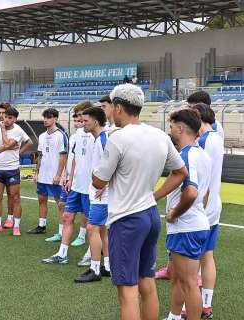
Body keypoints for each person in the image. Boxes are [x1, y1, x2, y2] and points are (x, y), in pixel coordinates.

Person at [92, 83, 188, 320]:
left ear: (118, 107)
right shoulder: (158, 135)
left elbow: (98, 181)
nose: (108, 113)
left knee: (127, 290)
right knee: (147, 281)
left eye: (109, 108)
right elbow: (180, 172)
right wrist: (154, 195)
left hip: (126, 219)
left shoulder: (118, 138)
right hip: (149, 215)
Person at [160, 108, 212, 320]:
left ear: (180, 128)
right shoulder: (201, 154)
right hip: (194, 224)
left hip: (186, 227)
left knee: (190, 283)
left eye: (172, 126)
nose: (170, 129)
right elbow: (204, 192)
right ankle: (173, 316)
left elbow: (191, 192)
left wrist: (174, 213)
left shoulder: (186, 155)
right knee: (178, 278)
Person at [41, 102, 93, 264]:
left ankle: (92, 254)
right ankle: (62, 254)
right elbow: (75, 158)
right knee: (67, 215)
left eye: (82, 115)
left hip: (90, 187)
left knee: (94, 224)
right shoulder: (75, 135)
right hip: (75, 184)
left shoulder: (97, 136)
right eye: (77, 116)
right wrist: (69, 177)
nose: (79, 119)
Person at [191, 102, 224, 319]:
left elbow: (201, 179)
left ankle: (187, 308)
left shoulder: (202, 142)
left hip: (202, 208)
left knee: (190, 262)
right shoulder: (217, 137)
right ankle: (206, 305)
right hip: (214, 206)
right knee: (208, 257)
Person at [75, 106, 111, 283]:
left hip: (101, 195)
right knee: (103, 230)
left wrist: (107, 184)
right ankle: (108, 266)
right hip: (98, 191)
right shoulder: (99, 139)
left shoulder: (104, 139)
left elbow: (114, 163)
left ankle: (95, 269)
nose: (83, 124)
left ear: (96, 121)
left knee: (92, 228)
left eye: (86, 121)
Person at [0, 102, 32, 228]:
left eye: (4, 113)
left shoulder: (17, 129)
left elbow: (28, 142)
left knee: (13, 195)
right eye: (0, 113)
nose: (2, 116)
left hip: (11, 166)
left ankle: (10, 219)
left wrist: (18, 152)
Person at [44, 107, 84, 243]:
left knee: (84, 209)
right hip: (69, 178)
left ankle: (82, 236)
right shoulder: (73, 136)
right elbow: (71, 158)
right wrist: (67, 175)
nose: (77, 122)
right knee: (62, 204)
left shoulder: (89, 136)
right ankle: (61, 233)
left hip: (82, 179)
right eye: (75, 120)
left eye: (80, 120)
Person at [27, 108, 67, 235]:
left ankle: (62, 232)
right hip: (43, 175)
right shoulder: (42, 136)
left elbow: (63, 156)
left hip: (55, 176)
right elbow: (40, 155)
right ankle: (41, 225)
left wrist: (58, 175)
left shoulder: (61, 135)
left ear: (55, 119)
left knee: (60, 204)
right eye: (44, 117)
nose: (45, 120)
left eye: (48, 117)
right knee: (41, 200)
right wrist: (36, 173)